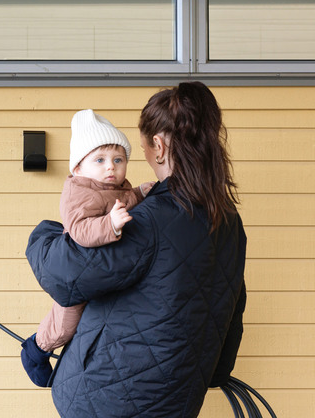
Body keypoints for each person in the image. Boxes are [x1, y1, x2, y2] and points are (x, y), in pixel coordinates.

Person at [25, 82, 247, 417]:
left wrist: (44, 235)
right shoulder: (229, 221)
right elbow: (233, 305)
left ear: (158, 146)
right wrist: (214, 371)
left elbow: (65, 279)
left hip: (105, 399)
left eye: (141, 149)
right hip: (180, 399)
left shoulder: (150, 220)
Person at [20, 109, 153, 387]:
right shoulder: (79, 192)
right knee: (65, 324)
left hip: (100, 273)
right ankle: (36, 349)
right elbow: (80, 231)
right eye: (100, 160)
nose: (111, 167)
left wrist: (142, 192)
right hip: (77, 276)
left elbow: (128, 199)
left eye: (118, 160)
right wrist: (111, 225)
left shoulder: (116, 186)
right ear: (78, 167)